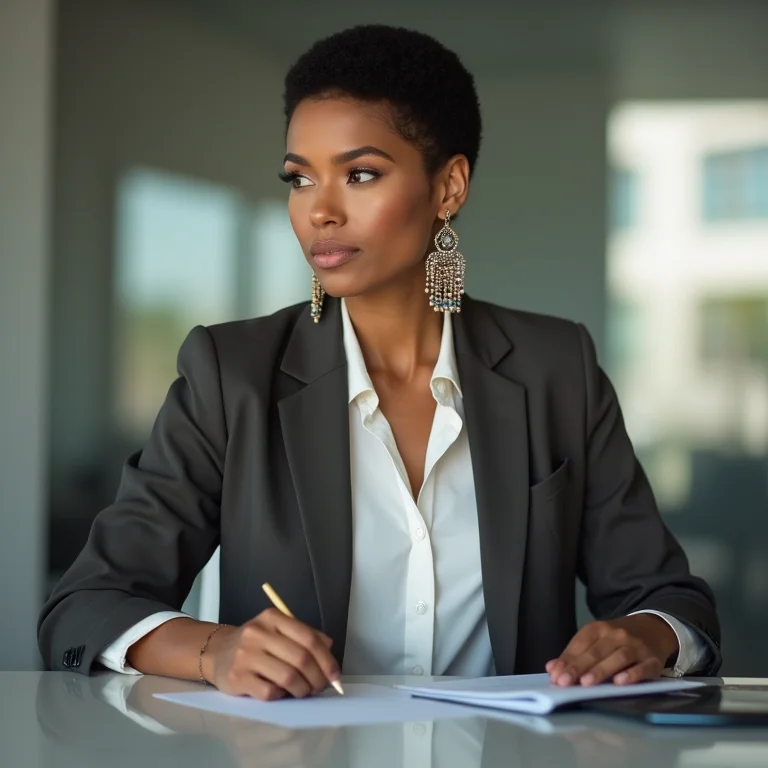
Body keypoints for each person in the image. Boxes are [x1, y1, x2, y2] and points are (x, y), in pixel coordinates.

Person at [38, 25, 721, 700]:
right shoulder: (231, 375)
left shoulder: (555, 369)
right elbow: (87, 604)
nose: (320, 211)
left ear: (449, 187)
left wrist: (644, 635)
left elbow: (670, 602)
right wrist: (217, 650)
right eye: (300, 178)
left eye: (360, 174)